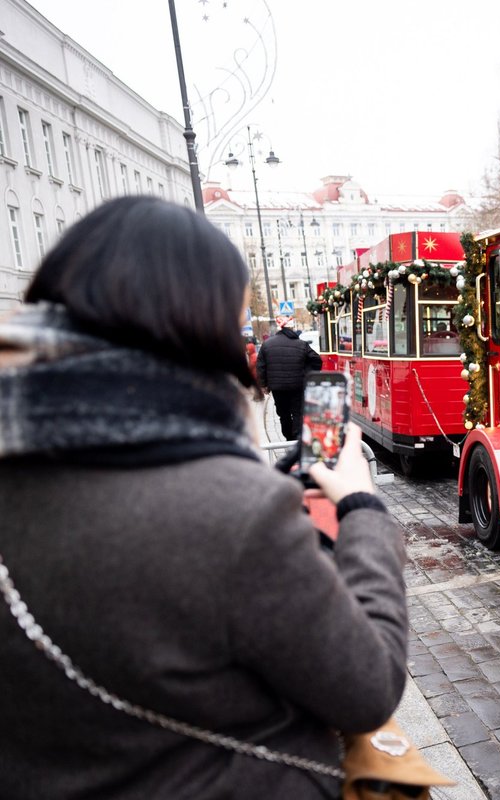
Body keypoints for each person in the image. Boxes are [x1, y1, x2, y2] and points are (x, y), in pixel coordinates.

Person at [0, 197, 408, 798]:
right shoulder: (237, 512)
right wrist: (360, 505)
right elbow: (367, 687)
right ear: (197, 320)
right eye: (235, 316)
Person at [258, 312, 323, 440]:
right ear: (291, 328)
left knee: (283, 414)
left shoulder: (267, 345)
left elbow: (261, 366)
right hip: (297, 386)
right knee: (298, 412)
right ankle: (298, 436)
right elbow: (317, 360)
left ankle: (288, 437)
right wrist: (306, 375)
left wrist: (263, 385)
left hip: (278, 388)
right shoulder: (301, 344)